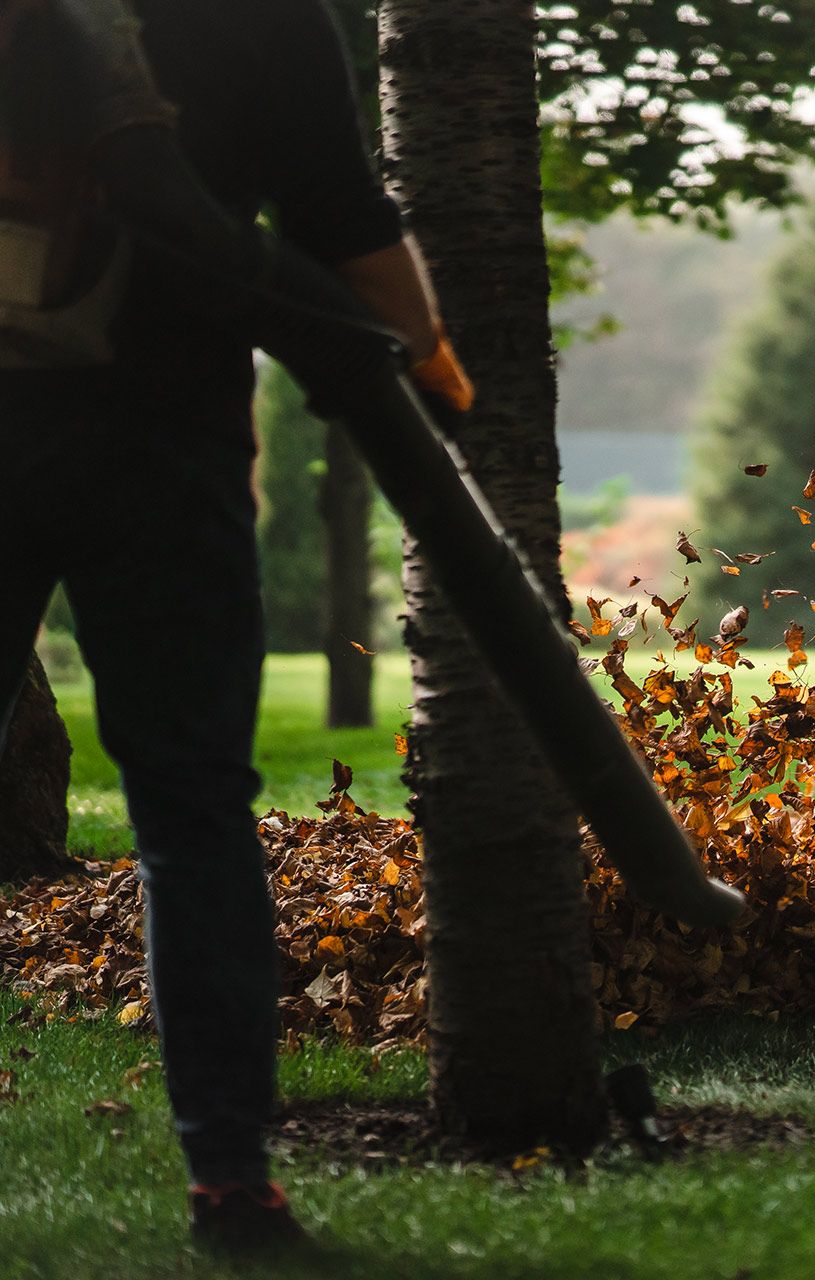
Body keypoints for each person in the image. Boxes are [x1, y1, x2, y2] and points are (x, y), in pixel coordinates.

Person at [0, 0, 468, 1252]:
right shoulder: (258, 14)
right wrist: (422, 356)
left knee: (194, 811)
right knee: (192, 813)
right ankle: (229, 1180)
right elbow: (340, 216)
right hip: (166, 452)